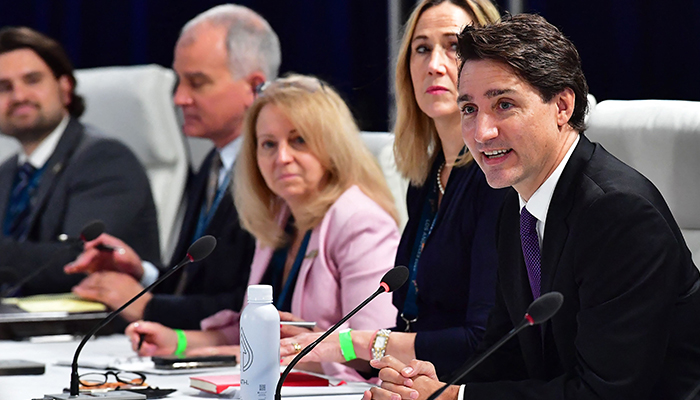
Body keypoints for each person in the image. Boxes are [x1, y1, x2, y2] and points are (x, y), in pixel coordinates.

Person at [367, 13, 700, 400]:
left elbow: (604, 393)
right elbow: (505, 352)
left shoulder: (619, 214)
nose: (480, 132)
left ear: (562, 105)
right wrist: (429, 384)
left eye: (504, 105)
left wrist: (453, 398)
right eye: (469, 109)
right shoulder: (518, 207)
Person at [279, 0, 505, 378]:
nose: (434, 64)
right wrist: (324, 344)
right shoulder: (426, 179)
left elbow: (482, 340)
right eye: (421, 48)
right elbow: (414, 322)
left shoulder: (495, 179)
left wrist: (352, 343)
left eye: (454, 46)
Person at [126, 74, 401, 381]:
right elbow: (253, 330)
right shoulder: (279, 217)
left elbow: (375, 351)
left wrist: (312, 346)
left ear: (332, 145)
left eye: (299, 140)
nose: (282, 158)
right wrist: (178, 342)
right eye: (268, 144)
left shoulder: (360, 222)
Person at [63, 5, 277, 328]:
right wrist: (141, 271)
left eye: (197, 83)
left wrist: (148, 307)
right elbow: (198, 284)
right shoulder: (213, 162)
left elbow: (257, 302)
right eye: (179, 82)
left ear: (253, 87)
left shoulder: (276, 174)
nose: (179, 98)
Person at [0, 27, 159, 296]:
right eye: (4, 87)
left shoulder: (105, 159)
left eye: (32, 80)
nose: (19, 96)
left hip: (92, 330)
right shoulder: (6, 173)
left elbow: (79, 261)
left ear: (65, 88)